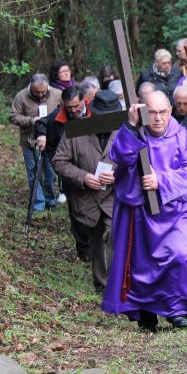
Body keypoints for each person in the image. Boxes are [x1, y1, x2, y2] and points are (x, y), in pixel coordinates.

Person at [102, 91, 187, 332]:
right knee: (141, 263)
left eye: (162, 112)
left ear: (170, 112)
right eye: (152, 112)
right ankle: (146, 313)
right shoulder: (134, 132)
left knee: (178, 256)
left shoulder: (182, 136)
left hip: (174, 210)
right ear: (143, 112)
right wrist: (131, 126)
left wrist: (162, 180)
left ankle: (177, 310)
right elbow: (119, 157)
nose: (157, 118)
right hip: (140, 211)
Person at [52, 90, 120, 293]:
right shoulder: (76, 131)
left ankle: (120, 282)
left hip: (115, 196)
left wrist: (118, 176)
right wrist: (83, 176)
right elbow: (59, 161)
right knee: (98, 239)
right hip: (88, 198)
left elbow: (139, 162)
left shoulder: (125, 132)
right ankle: (102, 284)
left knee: (116, 234)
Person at [35, 86, 93, 261]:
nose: (73, 110)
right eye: (69, 108)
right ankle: (84, 251)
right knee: (77, 211)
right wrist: (42, 136)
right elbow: (41, 124)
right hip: (71, 174)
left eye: (76, 106)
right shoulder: (57, 119)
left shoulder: (95, 112)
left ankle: (99, 246)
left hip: (94, 169)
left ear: (84, 100)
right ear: (63, 105)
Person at [9, 74, 62, 216]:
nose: (40, 94)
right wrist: (31, 120)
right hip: (29, 141)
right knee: (33, 173)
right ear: (31, 87)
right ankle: (38, 203)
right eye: (37, 91)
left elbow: (65, 110)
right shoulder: (21, 97)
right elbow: (13, 116)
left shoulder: (57, 94)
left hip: (51, 142)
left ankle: (51, 200)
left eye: (43, 91)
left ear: (48, 87)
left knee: (50, 172)